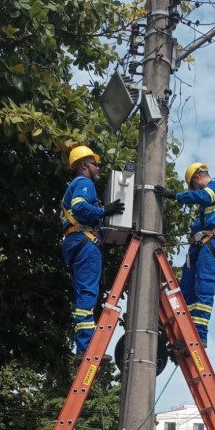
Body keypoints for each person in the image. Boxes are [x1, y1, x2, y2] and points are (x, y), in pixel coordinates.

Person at [154, 162, 215, 346]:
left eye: (193, 188)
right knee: (186, 291)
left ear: (197, 178)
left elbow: (204, 196)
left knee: (203, 289)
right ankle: (185, 333)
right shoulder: (203, 207)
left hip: (211, 243)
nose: (195, 192)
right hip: (198, 246)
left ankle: (199, 335)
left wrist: (174, 195)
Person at [62, 145, 125, 358]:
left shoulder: (77, 185)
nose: (98, 168)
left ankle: (83, 346)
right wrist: (104, 210)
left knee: (84, 294)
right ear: (83, 165)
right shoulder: (84, 182)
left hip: (76, 241)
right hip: (85, 242)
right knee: (88, 293)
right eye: (95, 164)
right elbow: (79, 208)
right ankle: (86, 347)